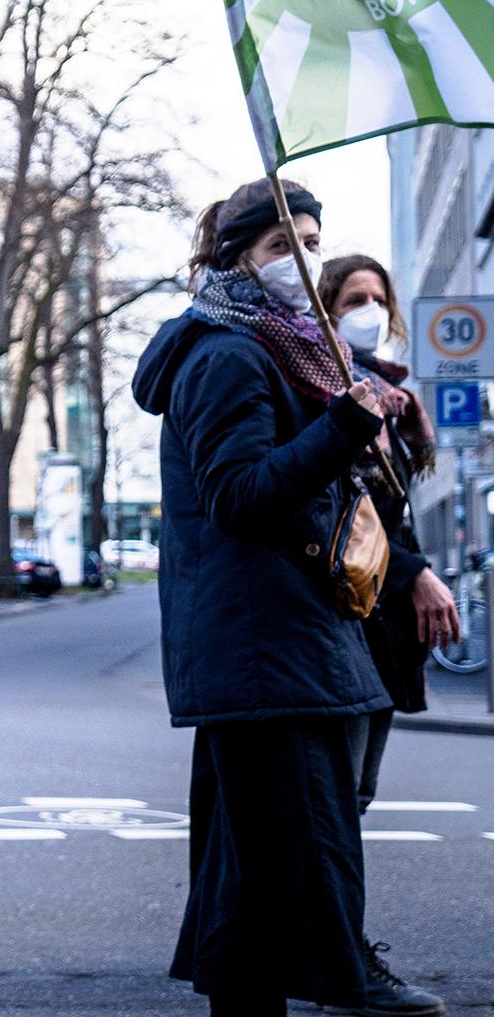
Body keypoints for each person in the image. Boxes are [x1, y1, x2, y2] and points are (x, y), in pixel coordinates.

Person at [132, 178, 444, 1017]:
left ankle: (251, 993)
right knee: (311, 834)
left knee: (253, 854)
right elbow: (238, 494)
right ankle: (349, 971)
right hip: (266, 642)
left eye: (310, 242)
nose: (301, 260)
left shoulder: (279, 348)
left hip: (273, 638)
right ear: (237, 259)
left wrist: (368, 429)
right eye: (282, 246)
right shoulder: (228, 354)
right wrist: (343, 423)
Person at [322, 253, 459, 1004]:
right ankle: (341, 966)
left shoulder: (397, 398)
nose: (368, 309)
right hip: (350, 620)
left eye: (378, 297)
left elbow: (391, 515)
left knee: (354, 799)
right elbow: (349, 513)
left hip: (381, 624)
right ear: (328, 307)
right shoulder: (331, 389)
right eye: (352, 298)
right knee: (335, 807)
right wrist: (418, 575)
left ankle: (328, 957)